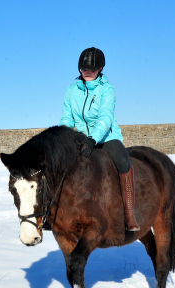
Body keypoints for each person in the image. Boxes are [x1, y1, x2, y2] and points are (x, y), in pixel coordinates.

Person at [60, 47, 139, 231]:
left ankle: (129, 214)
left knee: (123, 162)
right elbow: (67, 117)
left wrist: (93, 139)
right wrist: (64, 138)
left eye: (93, 69)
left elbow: (105, 117)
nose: (88, 72)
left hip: (106, 137)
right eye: (84, 69)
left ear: (101, 69)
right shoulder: (71, 90)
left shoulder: (107, 89)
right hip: (80, 138)